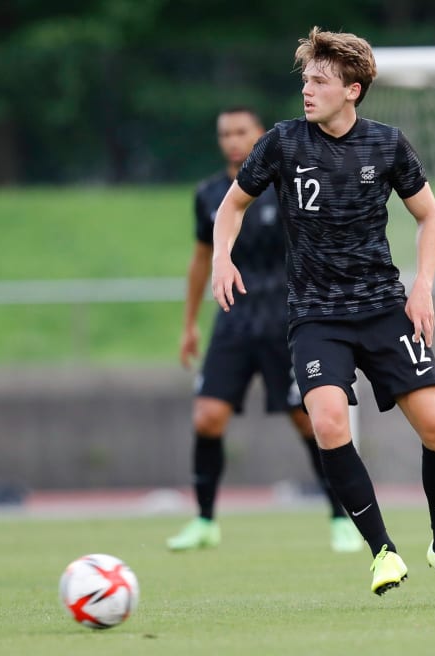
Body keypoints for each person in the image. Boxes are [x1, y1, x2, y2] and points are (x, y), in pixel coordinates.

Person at [210, 28, 435, 603]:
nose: (306, 90)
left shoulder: (387, 145)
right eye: (305, 79)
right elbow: (232, 206)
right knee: (328, 422)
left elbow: (430, 219)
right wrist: (221, 257)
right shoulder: (282, 143)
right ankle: (382, 550)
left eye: (319, 81)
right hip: (315, 315)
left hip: (384, 307)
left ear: (351, 90)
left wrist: (423, 286)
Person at [168, 107, 362, 554]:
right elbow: (201, 260)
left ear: (260, 135)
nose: (233, 140)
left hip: (287, 321)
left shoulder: (288, 186)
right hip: (233, 321)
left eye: (241, 132)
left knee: (311, 420)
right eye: (225, 133)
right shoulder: (210, 194)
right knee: (207, 417)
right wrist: (189, 324)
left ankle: (342, 518)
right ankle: (204, 521)